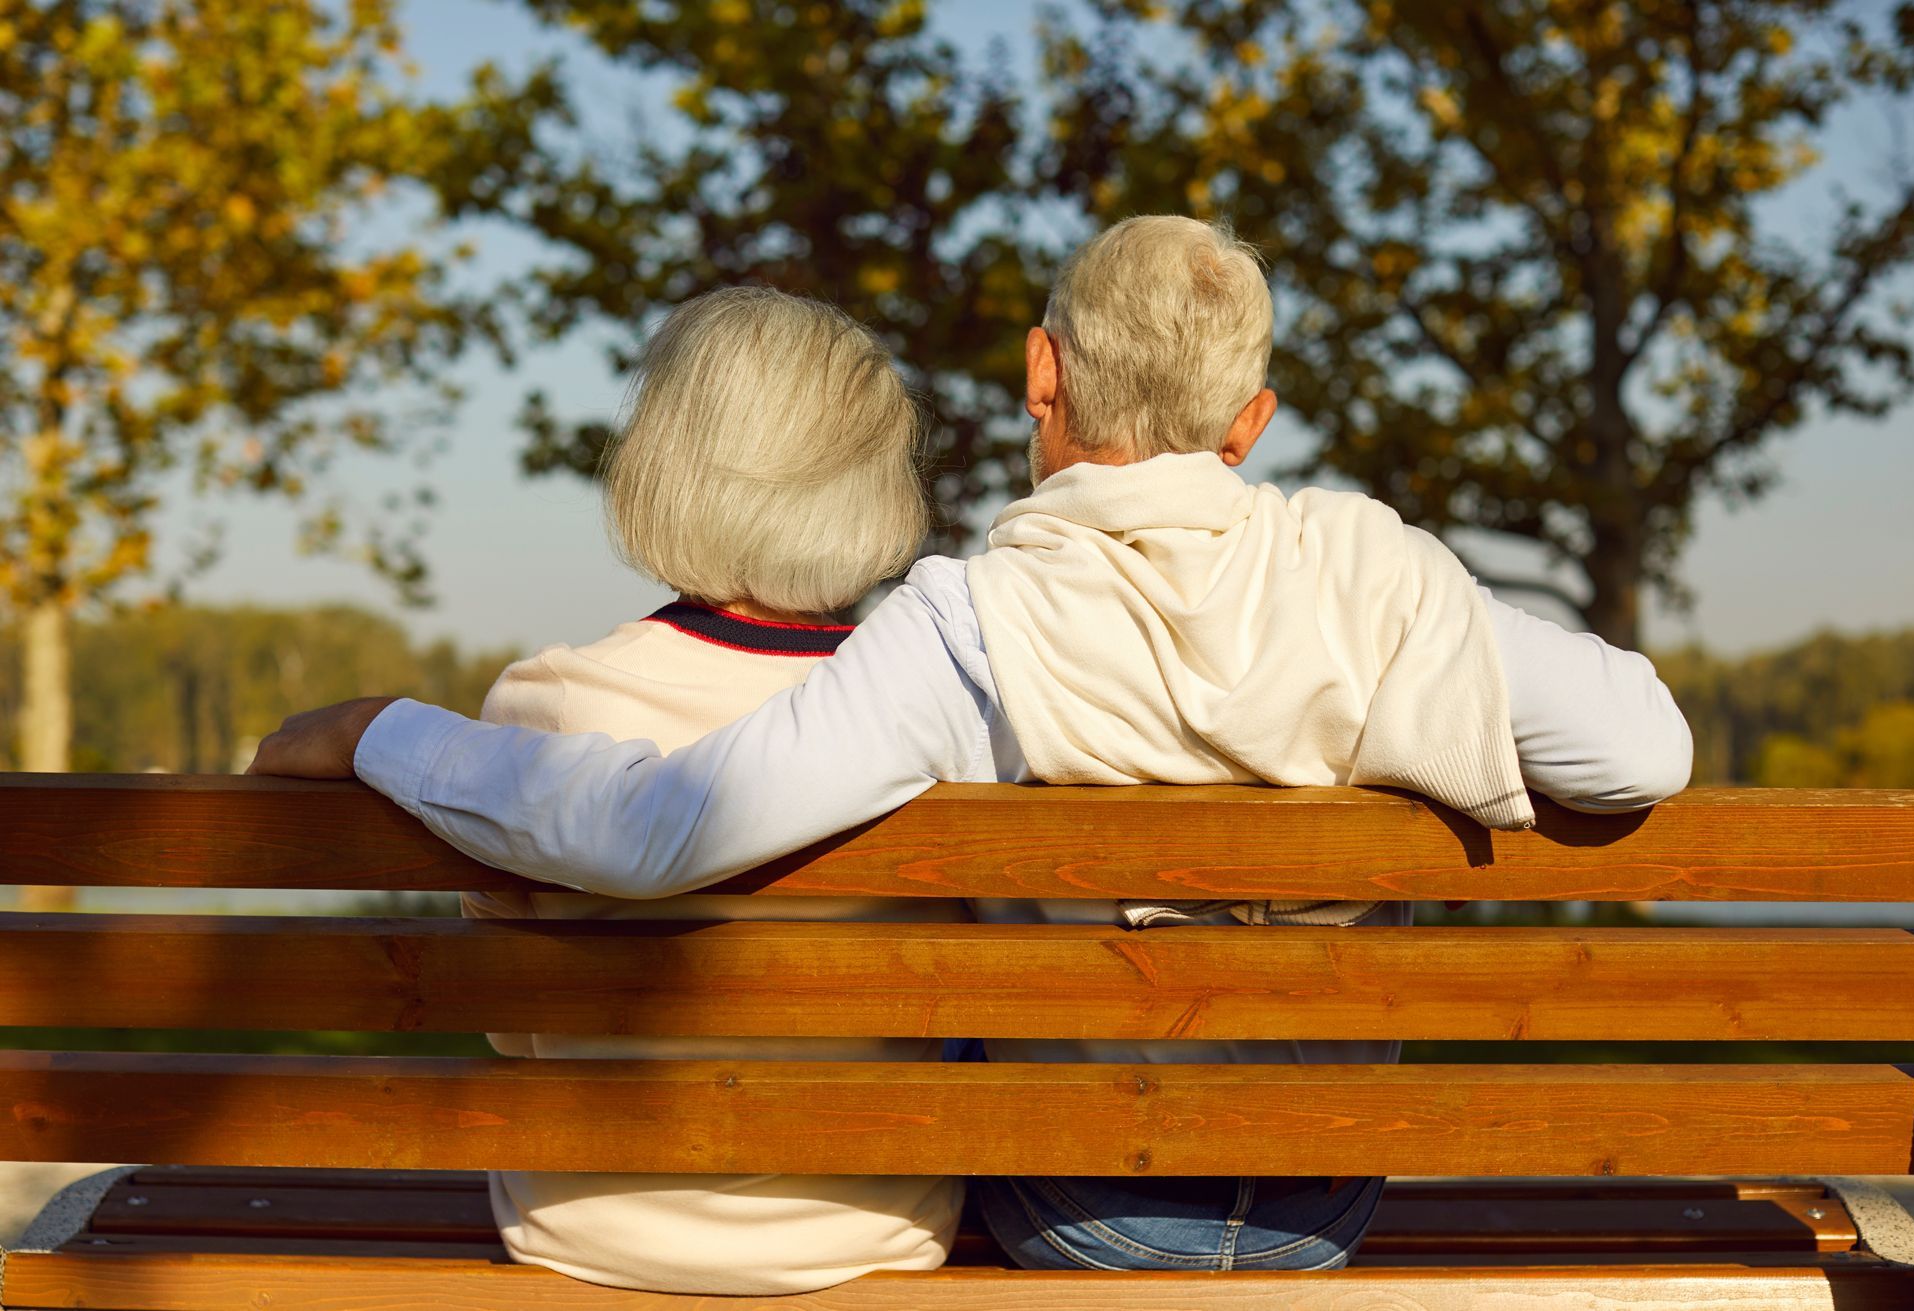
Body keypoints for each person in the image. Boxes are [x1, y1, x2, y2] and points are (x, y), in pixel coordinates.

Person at [254, 217, 1693, 1274]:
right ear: (1252, 421)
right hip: (1325, 1191)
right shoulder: (1382, 576)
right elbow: (1642, 750)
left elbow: (660, 828)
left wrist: (387, 729)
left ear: (1039, 370)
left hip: (1082, 1203)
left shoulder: (971, 623)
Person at [435, 286, 965, 1295]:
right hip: (869, 1234)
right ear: (875, 483)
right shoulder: (931, 722)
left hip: (587, 1229)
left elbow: (510, 1026)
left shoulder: (547, 708)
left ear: (662, 463)